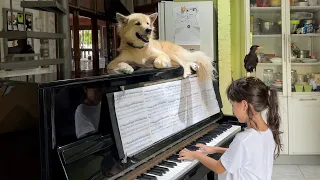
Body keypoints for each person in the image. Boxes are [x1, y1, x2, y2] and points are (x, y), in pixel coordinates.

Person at [178, 77, 282, 180]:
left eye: (233, 105)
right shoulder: (267, 131)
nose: (233, 110)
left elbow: (219, 168)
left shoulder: (243, 140)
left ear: (244, 105)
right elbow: (244, 153)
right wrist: (215, 149)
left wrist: (196, 155)